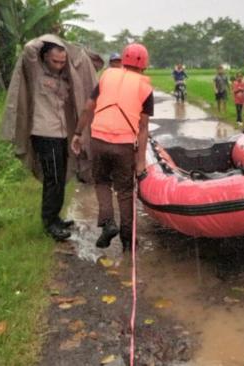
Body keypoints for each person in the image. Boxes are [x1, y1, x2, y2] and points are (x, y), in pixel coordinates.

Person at [1, 35, 97, 241]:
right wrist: (52, 39)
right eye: (55, 61)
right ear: (44, 57)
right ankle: (49, 223)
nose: (59, 65)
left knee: (60, 178)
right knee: (53, 179)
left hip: (61, 134)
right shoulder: (35, 70)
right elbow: (29, 48)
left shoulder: (65, 76)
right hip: (44, 133)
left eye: (63, 62)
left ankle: (55, 217)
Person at [71, 43, 154, 251]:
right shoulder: (145, 87)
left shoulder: (107, 76)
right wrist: (141, 162)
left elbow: (88, 108)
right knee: (125, 191)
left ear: (123, 60)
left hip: (99, 140)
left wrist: (78, 133)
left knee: (101, 182)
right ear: (145, 63)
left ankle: (108, 222)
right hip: (125, 145)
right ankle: (128, 240)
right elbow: (143, 128)